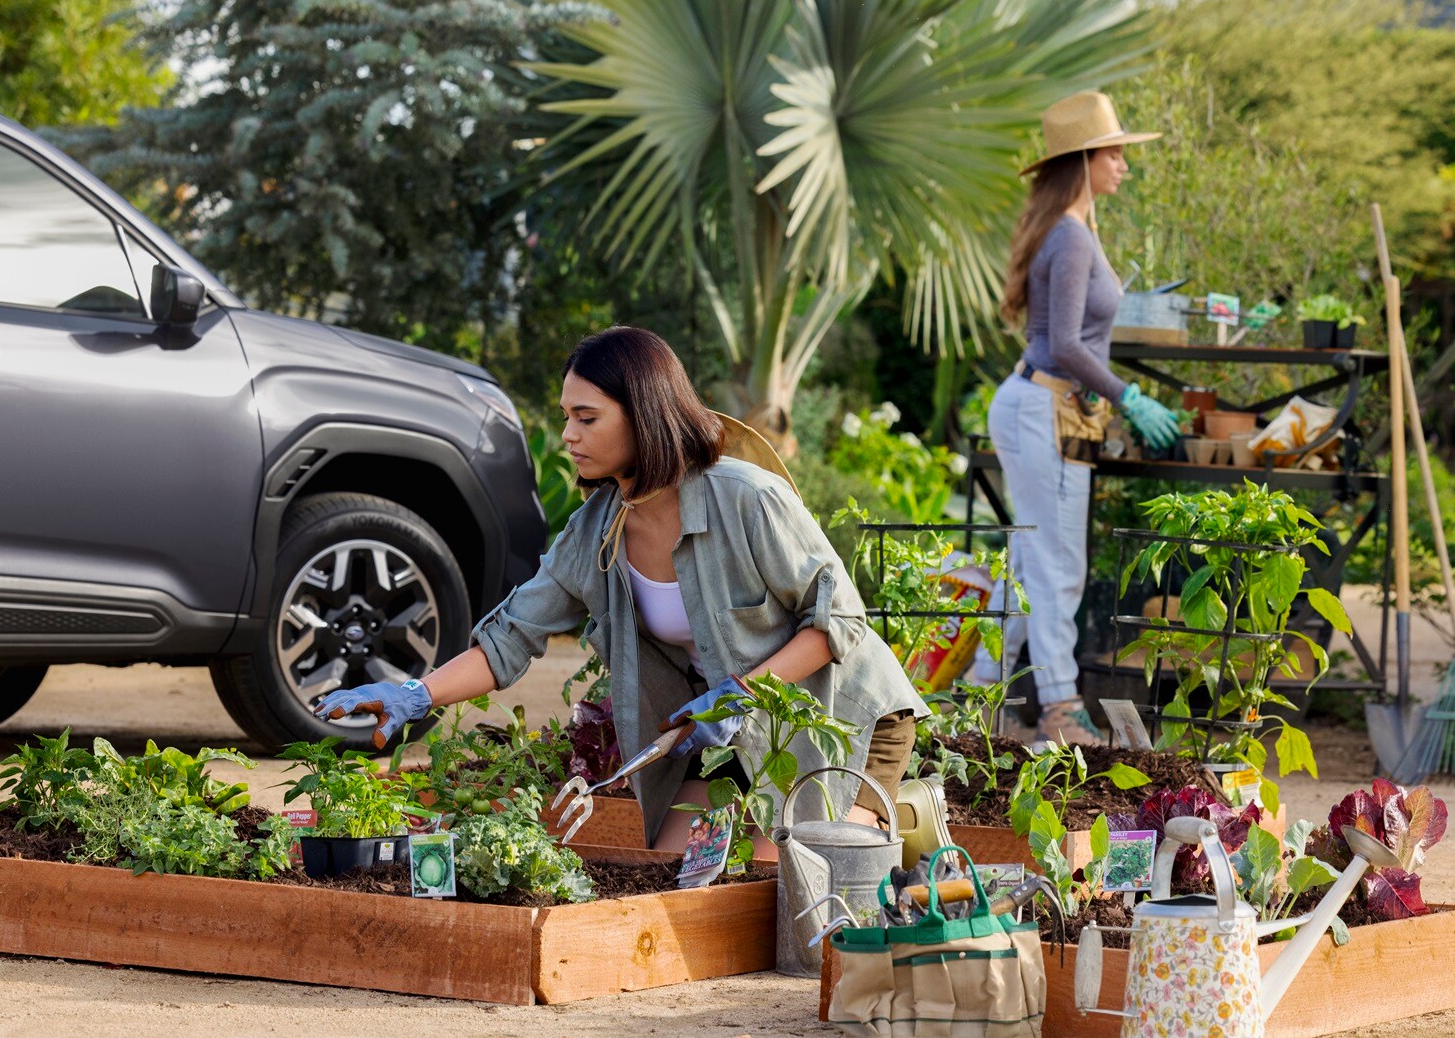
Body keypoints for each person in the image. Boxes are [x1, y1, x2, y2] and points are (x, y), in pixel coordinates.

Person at [319, 326, 927, 851]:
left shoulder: (748, 498)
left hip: (838, 720)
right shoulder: (592, 534)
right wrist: (415, 695)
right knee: (672, 879)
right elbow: (510, 639)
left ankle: (895, 821)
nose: (568, 436)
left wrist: (740, 694)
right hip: (728, 732)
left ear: (645, 415)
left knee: (789, 885)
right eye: (566, 417)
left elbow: (838, 621)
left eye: (587, 418)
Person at [967, 90, 1177, 745]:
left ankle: (977, 696)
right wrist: (1128, 395)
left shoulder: (1069, 229)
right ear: (1084, 160)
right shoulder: (1071, 236)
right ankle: (1059, 706)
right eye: (1115, 152)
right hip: (1044, 410)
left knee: (1033, 564)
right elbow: (1063, 344)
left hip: (1039, 404)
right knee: (1058, 566)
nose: (1124, 163)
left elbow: (1066, 338)